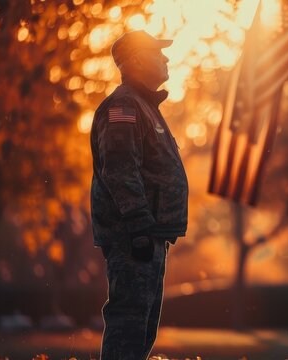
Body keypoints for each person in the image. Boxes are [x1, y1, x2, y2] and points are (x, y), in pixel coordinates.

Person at [89, 30, 189, 359]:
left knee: (142, 328)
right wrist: (139, 224)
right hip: (134, 236)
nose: (166, 58)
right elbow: (119, 169)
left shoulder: (143, 106)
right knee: (128, 324)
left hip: (147, 235)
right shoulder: (124, 107)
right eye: (157, 53)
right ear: (134, 61)